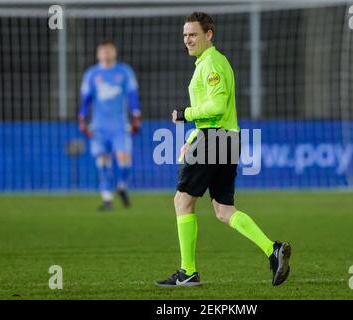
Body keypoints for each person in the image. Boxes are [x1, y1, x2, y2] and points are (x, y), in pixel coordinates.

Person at [156, 12, 291, 287]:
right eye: (185, 35)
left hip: (215, 140)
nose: (187, 39)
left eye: (193, 34)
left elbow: (216, 108)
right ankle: (272, 250)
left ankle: (188, 272)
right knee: (223, 209)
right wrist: (193, 135)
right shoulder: (209, 63)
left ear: (209, 34)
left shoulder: (212, 64)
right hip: (226, 138)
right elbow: (220, 113)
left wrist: (186, 114)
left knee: (182, 201)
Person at [78, 40, 142, 211]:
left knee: (124, 159)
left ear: (114, 52)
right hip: (99, 126)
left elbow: (132, 95)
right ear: (98, 54)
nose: (106, 53)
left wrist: (136, 115)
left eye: (109, 50)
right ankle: (107, 199)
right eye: (102, 51)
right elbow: (86, 100)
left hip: (120, 126)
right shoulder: (91, 74)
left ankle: (121, 186)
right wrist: (82, 118)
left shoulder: (124, 72)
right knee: (102, 161)